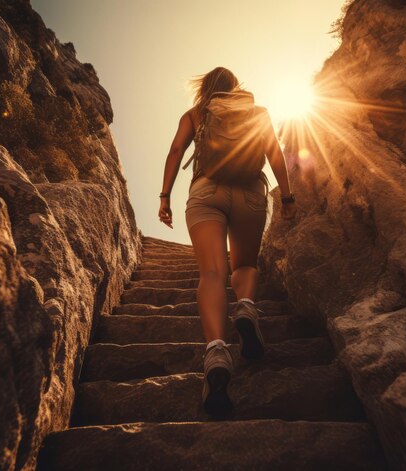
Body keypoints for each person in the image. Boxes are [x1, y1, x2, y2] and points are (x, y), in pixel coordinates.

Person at [158, 66, 297, 417]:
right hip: (250, 191)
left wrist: (165, 197)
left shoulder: (196, 113)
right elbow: (274, 153)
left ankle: (217, 351)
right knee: (246, 264)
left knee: (212, 273)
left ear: (205, 88)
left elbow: (176, 151)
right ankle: (247, 307)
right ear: (236, 88)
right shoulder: (257, 112)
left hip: (207, 191)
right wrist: (288, 197)